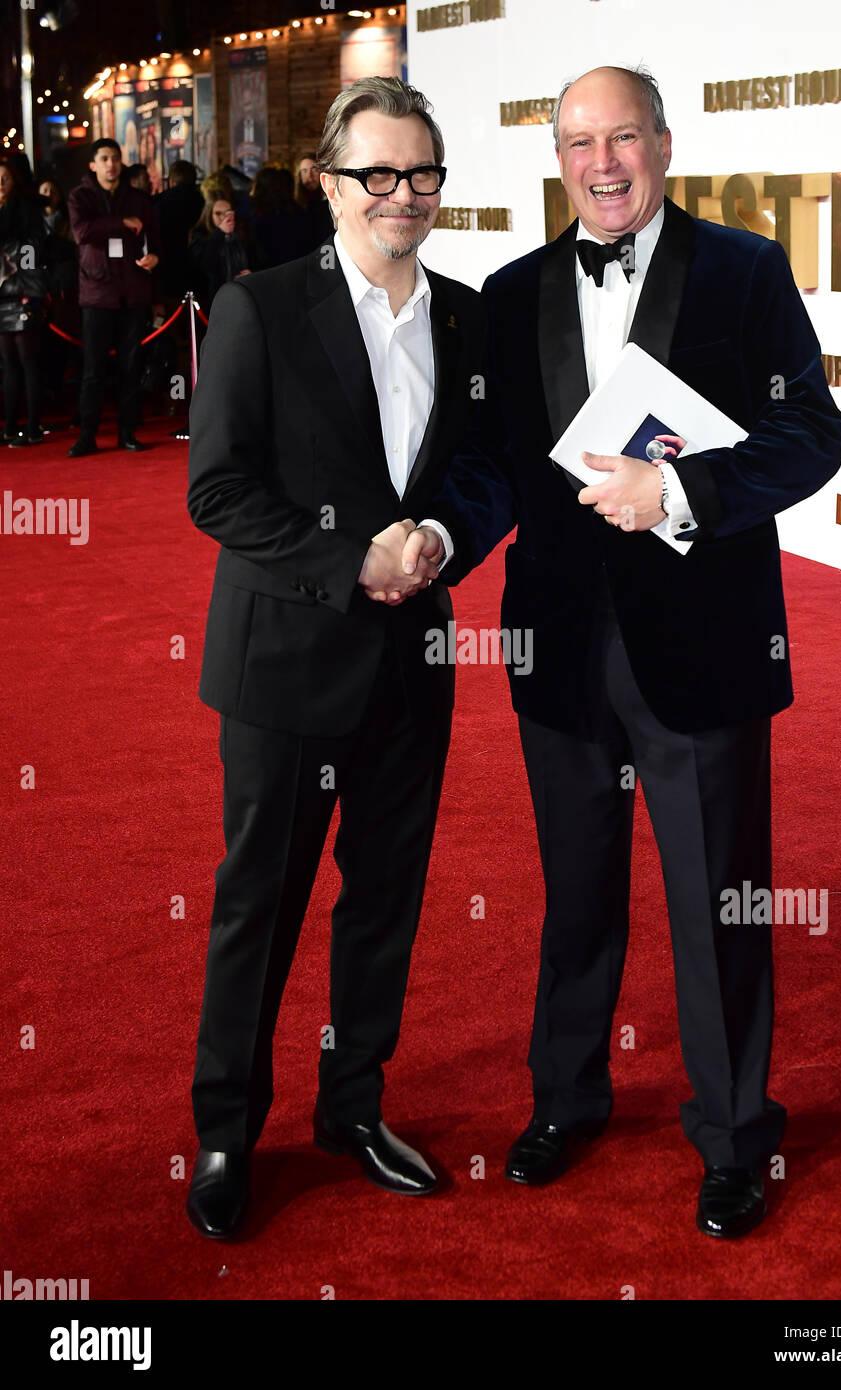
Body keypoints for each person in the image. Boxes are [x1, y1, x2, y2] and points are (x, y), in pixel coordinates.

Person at [397, 65, 841, 1239]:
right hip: (555, 644)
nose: (604, 163)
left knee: (718, 899)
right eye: (580, 143)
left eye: (624, 139)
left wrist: (681, 488)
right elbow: (492, 462)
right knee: (576, 891)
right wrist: (445, 532)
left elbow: (811, 431)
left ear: (662, 144)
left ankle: (738, 1133)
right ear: (557, 158)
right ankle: (566, 1100)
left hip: (699, 646)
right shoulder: (510, 290)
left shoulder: (743, 271)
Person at [184, 76, 483, 1240]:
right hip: (286, 664)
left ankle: (351, 1106)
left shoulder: (462, 319)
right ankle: (223, 1130)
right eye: (374, 174)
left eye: (419, 175)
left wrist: (445, 537)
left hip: (410, 663)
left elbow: (476, 472)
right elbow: (218, 488)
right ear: (327, 182)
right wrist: (348, 559)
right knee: (259, 903)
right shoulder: (258, 306)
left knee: (385, 901)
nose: (397, 196)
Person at [66, 138, 161, 456]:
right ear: (93, 164)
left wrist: (155, 257)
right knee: (93, 369)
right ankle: (87, 434)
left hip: (133, 290)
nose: (111, 164)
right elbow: (82, 233)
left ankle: (127, 431)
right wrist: (120, 223)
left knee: (130, 367)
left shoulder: (137, 198)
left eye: (116, 158)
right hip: (96, 293)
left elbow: (154, 237)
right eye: (105, 158)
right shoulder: (80, 196)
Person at [0, 158, 51, 444]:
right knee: (8, 363)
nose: (0, 185)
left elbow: (34, 249)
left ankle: (32, 426)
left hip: (23, 291)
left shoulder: (26, 208)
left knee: (28, 360)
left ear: (14, 180)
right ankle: (9, 426)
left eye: (5, 178)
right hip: (1, 294)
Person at [187, 195, 258, 315]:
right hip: (213, 300)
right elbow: (205, 266)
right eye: (218, 214)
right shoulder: (200, 236)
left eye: (228, 213)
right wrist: (219, 233)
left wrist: (252, 273)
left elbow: (259, 259)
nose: (224, 218)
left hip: (241, 297)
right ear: (209, 214)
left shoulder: (242, 233)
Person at [153, 159, 204, 305]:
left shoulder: (160, 201)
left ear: (171, 179)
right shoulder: (202, 199)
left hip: (168, 262)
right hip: (197, 263)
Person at [295, 149, 335, 249]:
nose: (309, 176)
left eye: (314, 169)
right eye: (304, 171)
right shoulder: (295, 206)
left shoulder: (332, 203)